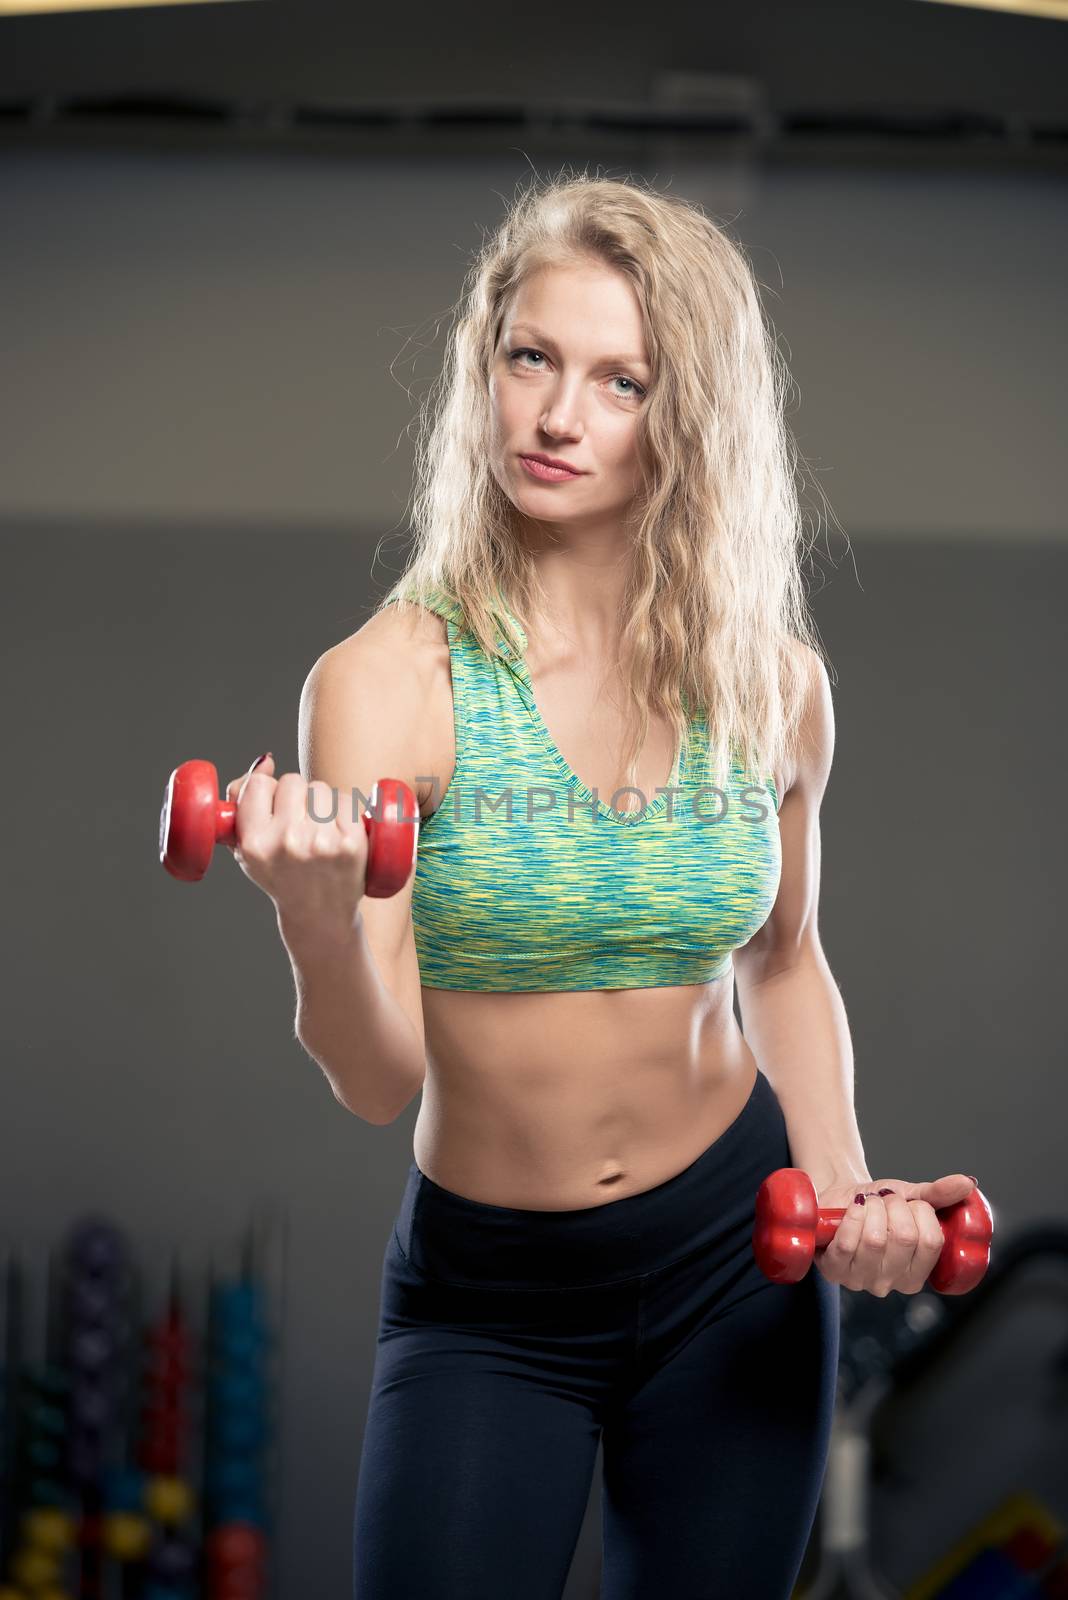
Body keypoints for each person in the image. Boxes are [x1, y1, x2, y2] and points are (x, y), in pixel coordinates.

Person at [224, 172, 976, 1600]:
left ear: (684, 421)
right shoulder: (390, 684)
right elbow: (380, 1081)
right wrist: (315, 913)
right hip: (490, 1297)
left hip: (732, 1272)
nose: (559, 416)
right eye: (532, 358)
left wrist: (841, 1184)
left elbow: (782, 957)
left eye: (621, 381)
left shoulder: (770, 684)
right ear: (484, 368)